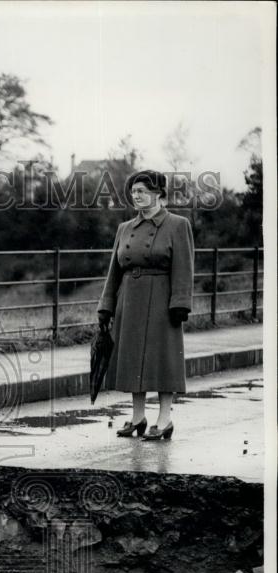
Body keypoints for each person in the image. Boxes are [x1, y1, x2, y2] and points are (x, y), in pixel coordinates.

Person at [98, 169, 194, 441]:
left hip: (163, 299)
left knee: (164, 359)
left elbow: (184, 267)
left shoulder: (177, 224)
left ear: (158, 193)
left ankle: (165, 419)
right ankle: (138, 417)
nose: (135, 196)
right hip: (129, 300)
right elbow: (113, 271)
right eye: (133, 191)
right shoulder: (124, 228)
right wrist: (106, 305)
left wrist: (180, 303)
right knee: (131, 359)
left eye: (141, 191)